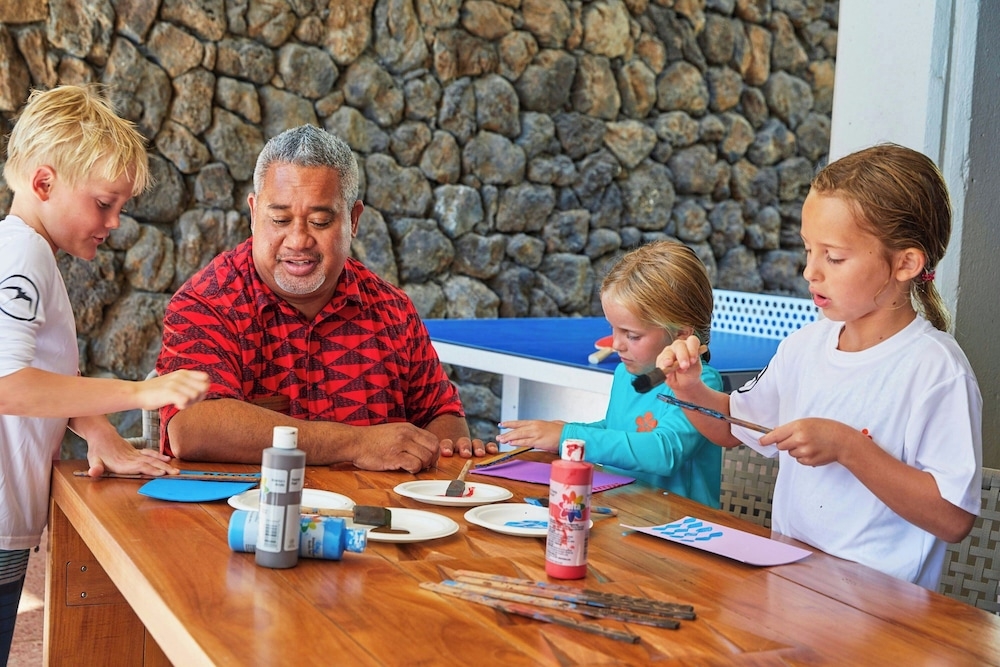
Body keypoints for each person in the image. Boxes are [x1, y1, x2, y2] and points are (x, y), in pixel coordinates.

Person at [656, 143, 982, 589]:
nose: (811, 271)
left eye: (834, 256)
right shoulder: (803, 348)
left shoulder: (936, 370)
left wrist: (849, 447)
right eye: (809, 250)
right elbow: (733, 430)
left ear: (905, 262)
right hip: (792, 590)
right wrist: (691, 389)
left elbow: (953, 518)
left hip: (884, 620)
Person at [0, 85, 209, 662]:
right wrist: (141, 392)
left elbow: (44, 371)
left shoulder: (26, 252)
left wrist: (99, 432)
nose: (115, 222)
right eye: (102, 203)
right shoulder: (22, 257)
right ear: (44, 184)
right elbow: (8, 385)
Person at [156, 124, 498, 471]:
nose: (298, 240)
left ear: (353, 220)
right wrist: (357, 443)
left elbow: (442, 415)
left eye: (319, 222)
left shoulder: (392, 311)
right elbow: (192, 427)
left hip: (374, 519)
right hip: (242, 520)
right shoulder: (208, 302)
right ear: (253, 213)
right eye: (280, 219)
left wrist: (444, 447)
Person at [496, 240, 723, 507]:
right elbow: (617, 430)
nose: (616, 345)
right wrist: (565, 432)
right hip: (626, 512)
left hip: (684, 529)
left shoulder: (702, 383)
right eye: (613, 328)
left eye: (632, 335)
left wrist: (570, 436)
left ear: (681, 334)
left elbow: (665, 452)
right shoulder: (624, 373)